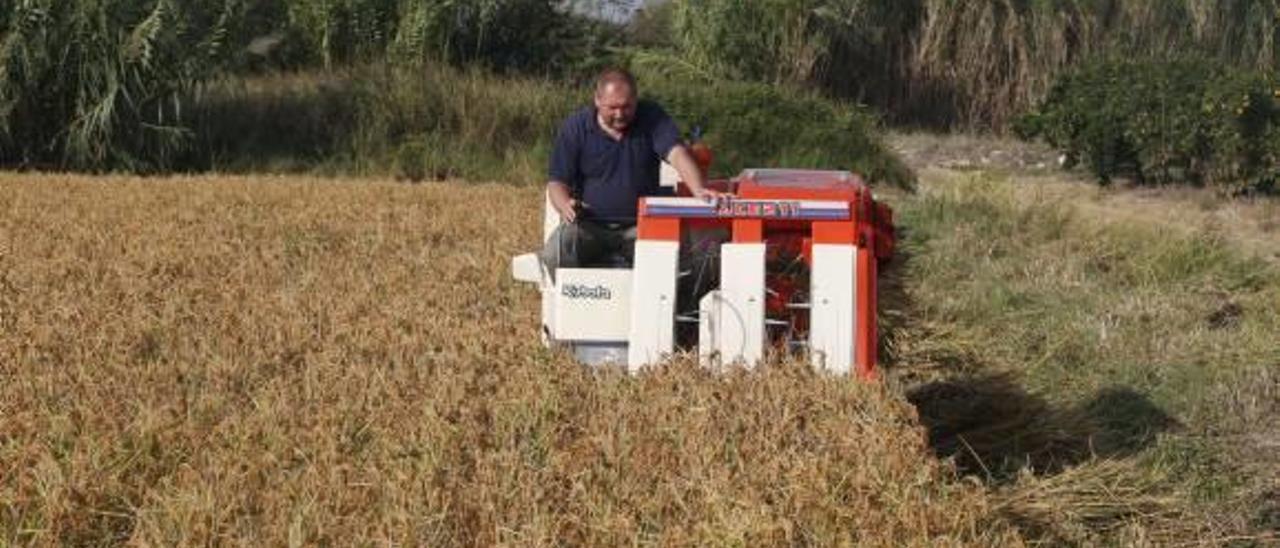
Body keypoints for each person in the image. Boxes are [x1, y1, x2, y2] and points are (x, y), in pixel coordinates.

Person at [541, 68, 722, 272]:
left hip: (641, 226)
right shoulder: (575, 128)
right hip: (589, 227)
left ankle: (664, 304)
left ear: (636, 100)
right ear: (597, 100)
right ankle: (571, 303)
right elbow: (557, 182)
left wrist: (698, 189)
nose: (620, 114)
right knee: (554, 255)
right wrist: (565, 204)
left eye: (627, 107)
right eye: (613, 108)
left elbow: (677, 153)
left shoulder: (652, 117)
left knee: (681, 263)